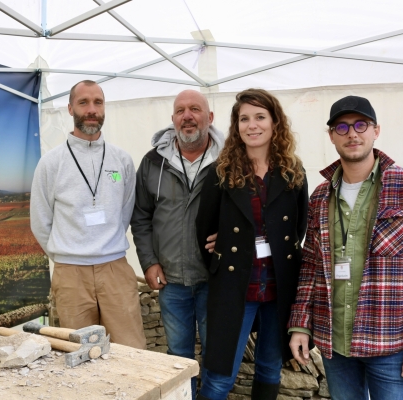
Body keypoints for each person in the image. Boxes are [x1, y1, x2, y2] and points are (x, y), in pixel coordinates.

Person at [288, 95, 403, 400]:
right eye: (342, 127)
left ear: (376, 131)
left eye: (361, 125)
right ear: (331, 136)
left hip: (391, 342)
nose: (352, 133)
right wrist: (301, 324)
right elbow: (310, 266)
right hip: (336, 344)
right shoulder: (321, 196)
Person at [195, 88, 308, 400]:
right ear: (236, 126)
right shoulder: (219, 173)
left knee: (270, 367)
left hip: (279, 287)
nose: (252, 125)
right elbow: (204, 233)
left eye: (260, 117)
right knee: (219, 377)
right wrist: (232, 251)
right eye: (244, 118)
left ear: (275, 123)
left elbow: (297, 229)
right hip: (235, 287)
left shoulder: (292, 171)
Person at [30, 80, 145, 349]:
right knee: (80, 354)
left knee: (131, 351)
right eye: (83, 102)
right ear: (70, 108)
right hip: (70, 275)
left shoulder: (122, 160)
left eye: (98, 102)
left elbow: (125, 211)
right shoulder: (51, 163)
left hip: (115, 269)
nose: (91, 109)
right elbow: (40, 220)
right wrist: (67, 253)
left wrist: (106, 245)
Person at [130, 90, 225, 398]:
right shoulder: (152, 162)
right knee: (177, 356)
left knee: (216, 355)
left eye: (195, 109)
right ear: (172, 120)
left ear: (209, 118)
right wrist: (148, 261)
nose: (187, 116)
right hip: (171, 280)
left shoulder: (228, 162)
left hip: (216, 279)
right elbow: (141, 217)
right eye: (181, 110)